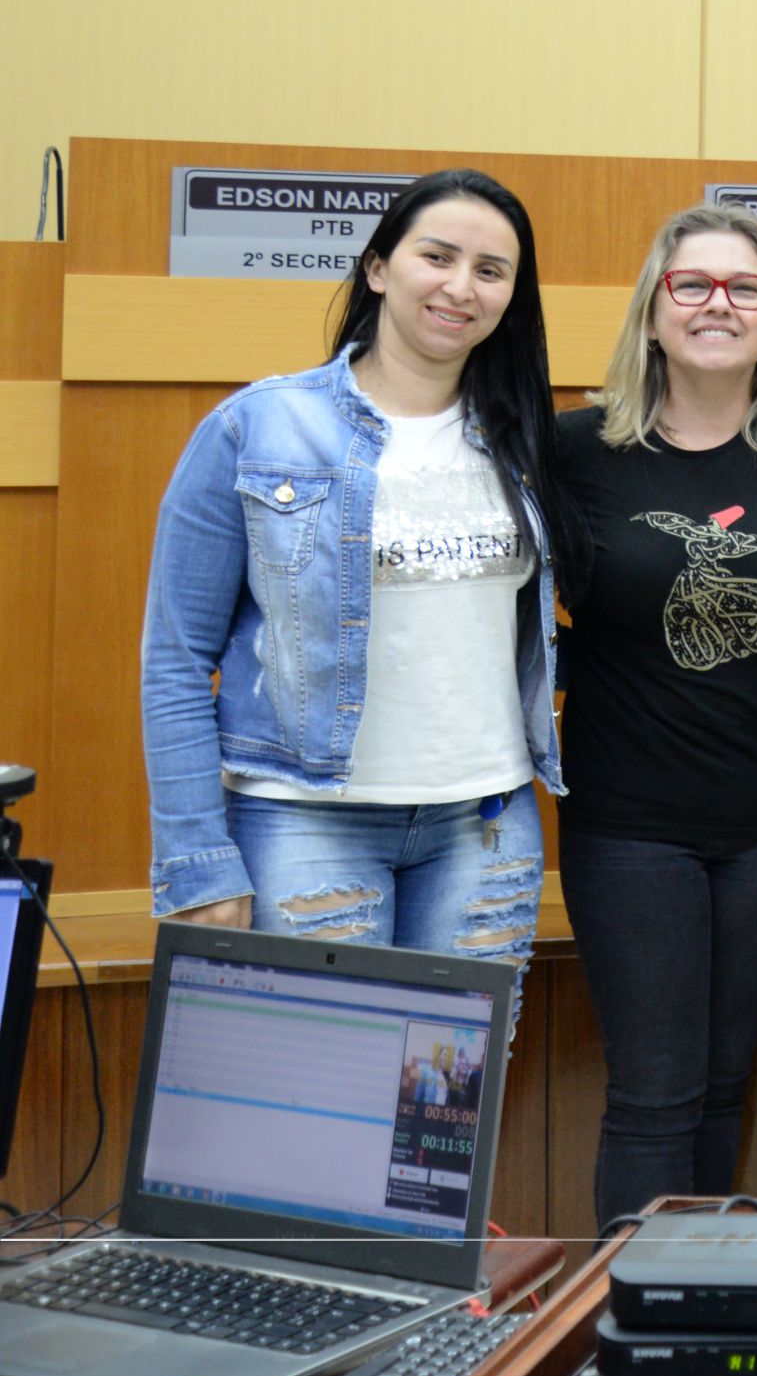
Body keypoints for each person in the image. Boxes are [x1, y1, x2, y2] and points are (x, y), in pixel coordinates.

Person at [140, 172, 565, 970]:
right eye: (436, 256)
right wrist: (197, 857)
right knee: (319, 1053)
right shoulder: (258, 426)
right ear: (376, 267)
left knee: (452, 1060)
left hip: (485, 818)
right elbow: (174, 659)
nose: (460, 286)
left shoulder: (528, 439)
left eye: (490, 270)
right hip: (304, 819)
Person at [550, 204, 757, 1222]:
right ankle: (627, 1311)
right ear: (653, 311)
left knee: (722, 1085)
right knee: (653, 1096)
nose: (718, 305)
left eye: (745, 287)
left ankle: (693, 1301)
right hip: (627, 820)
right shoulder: (573, 452)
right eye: (691, 284)